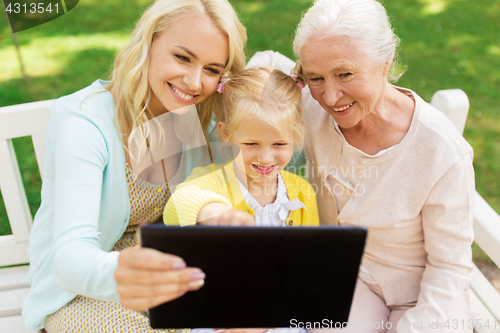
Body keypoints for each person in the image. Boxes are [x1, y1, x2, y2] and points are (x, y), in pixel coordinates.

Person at [247, 0, 475, 332]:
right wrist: (295, 80)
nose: (331, 96)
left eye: (345, 74)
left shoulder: (441, 150)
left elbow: (449, 268)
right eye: (316, 77)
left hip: (421, 292)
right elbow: (265, 63)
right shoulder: (311, 104)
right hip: (349, 276)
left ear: (385, 62)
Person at [22, 0, 247, 331]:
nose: (195, 82)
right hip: (80, 291)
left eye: (212, 69)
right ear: (148, 42)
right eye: (183, 58)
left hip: (167, 281)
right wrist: (124, 272)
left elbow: (273, 153)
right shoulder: (84, 122)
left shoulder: (197, 119)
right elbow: (69, 256)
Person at [164, 66, 319, 229]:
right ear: (226, 134)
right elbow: (175, 206)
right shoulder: (214, 183)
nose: (265, 158)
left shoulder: (303, 192)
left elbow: (311, 249)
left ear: (295, 136)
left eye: (279, 144)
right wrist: (214, 212)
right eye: (251, 144)